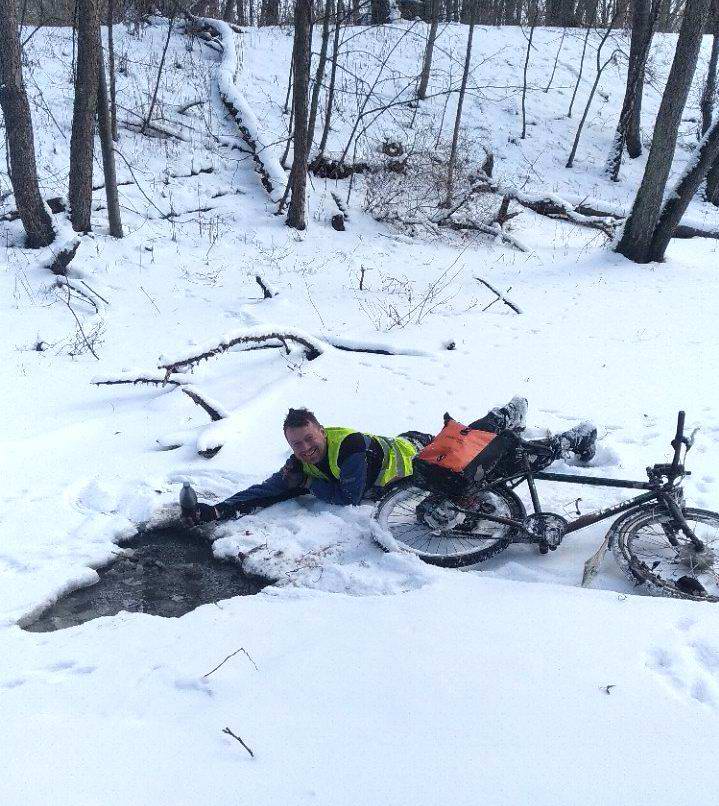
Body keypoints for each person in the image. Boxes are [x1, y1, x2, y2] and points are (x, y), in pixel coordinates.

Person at [188, 398, 597, 523]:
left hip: (421, 459)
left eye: (309, 440)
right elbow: (270, 489)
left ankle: (573, 439)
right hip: (408, 454)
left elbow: (352, 496)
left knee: (500, 462)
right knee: (474, 442)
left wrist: (309, 484)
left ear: (320, 429)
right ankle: (505, 419)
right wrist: (218, 510)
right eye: (296, 445)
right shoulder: (303, 461)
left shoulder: (345, 448)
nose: (305, 450)